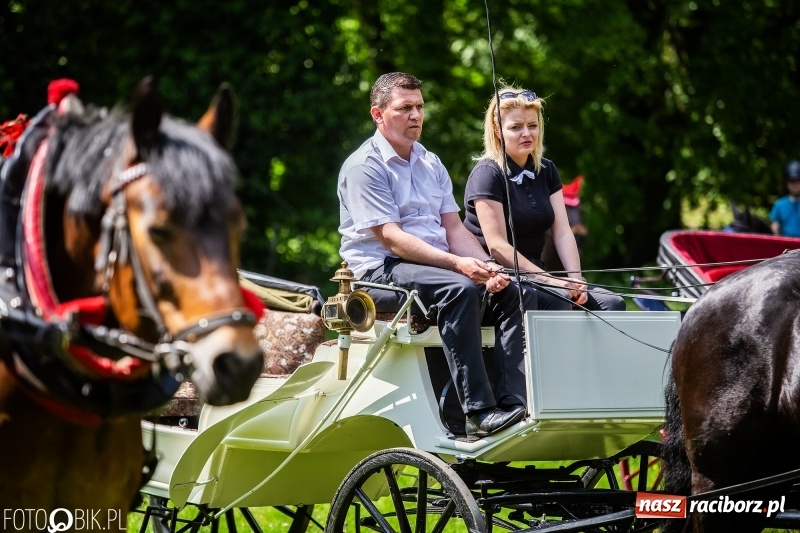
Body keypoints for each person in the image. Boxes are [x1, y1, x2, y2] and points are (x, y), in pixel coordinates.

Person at [338, 73, 558, 439]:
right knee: (459, 290)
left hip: (434, 268)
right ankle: (476, 412)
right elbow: (392, 239)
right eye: (404, 108)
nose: (416, 115)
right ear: (378, 114)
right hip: (379, 272)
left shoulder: (430, 162)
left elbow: (454, 231)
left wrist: (487, 267)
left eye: (420, 107)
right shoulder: (365, 165)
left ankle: (514, 404)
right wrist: (460, 265)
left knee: (516, 290)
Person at [464, 87, 625, 311]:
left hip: (539, 275)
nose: (527, 134)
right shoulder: (487, 173)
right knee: (558, 300)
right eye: (516, 127)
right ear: (497, 130)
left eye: (532, 125)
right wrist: (550, 280)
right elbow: (497, 247)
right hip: (498, 280)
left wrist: (576, 279)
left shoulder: (547, 170)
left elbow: (562, 232)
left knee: (613, 304)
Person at [770, 160, 800, 237]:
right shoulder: (779, 204)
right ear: (787, 183)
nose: (795, 185)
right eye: (792, 182)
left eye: (798, 181)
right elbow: (775, 227)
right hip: (786, 245)